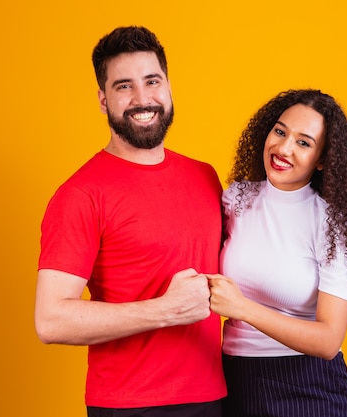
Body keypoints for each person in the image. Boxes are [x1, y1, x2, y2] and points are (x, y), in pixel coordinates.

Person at [34, 26, 226, 417]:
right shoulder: (80, 194)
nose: (143, 99)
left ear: (169, 87)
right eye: (124, 86)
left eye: (152, 81)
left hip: (215, 396)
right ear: (103, 100)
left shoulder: (205, 177)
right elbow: (51, 320)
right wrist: (165, 310)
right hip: (131, 405)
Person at [207, 89, 347, 417]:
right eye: (280, 132)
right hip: (235, 383)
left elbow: (328, 341)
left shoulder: (336, 226)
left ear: (323, 159)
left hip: (308, 390)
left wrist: (242, 308)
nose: (283, 148)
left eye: (303, 142)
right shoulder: (236, 200)